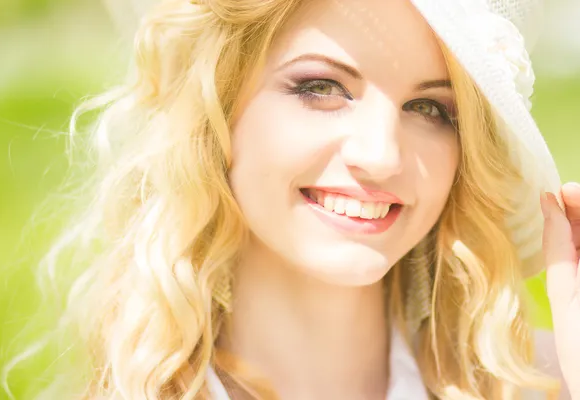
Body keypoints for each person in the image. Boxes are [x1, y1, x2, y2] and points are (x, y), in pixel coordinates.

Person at [33, 0, 580, 398]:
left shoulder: (545, 381)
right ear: (219, 107)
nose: (382, 155)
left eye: (431, 109)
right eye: (322, 88)